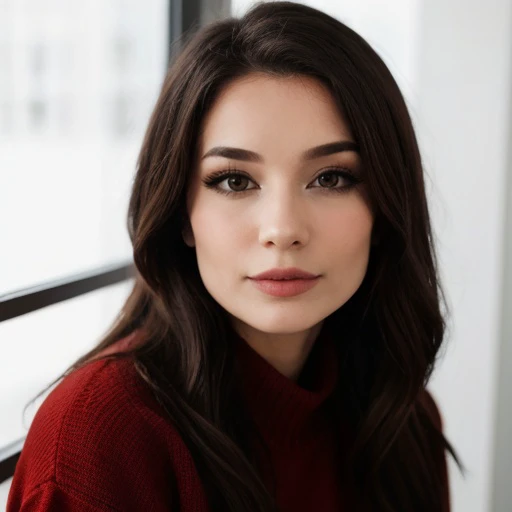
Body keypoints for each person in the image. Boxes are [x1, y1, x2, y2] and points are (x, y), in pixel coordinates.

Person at [7, 1, 465, 511]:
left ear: (384, 205)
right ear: (182, 214)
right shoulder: (100, 437)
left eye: (331, 178)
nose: (283, 230)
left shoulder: (403, 422)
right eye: (234, 180)